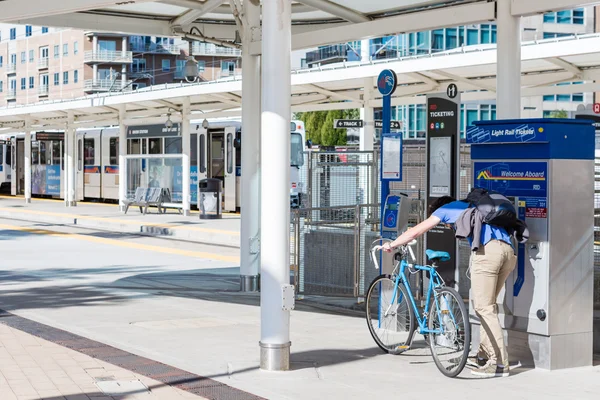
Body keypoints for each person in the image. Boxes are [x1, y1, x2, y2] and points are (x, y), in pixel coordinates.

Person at [382, 195, 516, 378]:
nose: (447, 226)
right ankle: (483, 355)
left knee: (484, 308)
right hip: (508, 252)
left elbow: (416, 231)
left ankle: (499, 363)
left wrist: (392, 244)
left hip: (487, 253)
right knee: (488, 308)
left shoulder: (446, 210)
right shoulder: (474, 205)